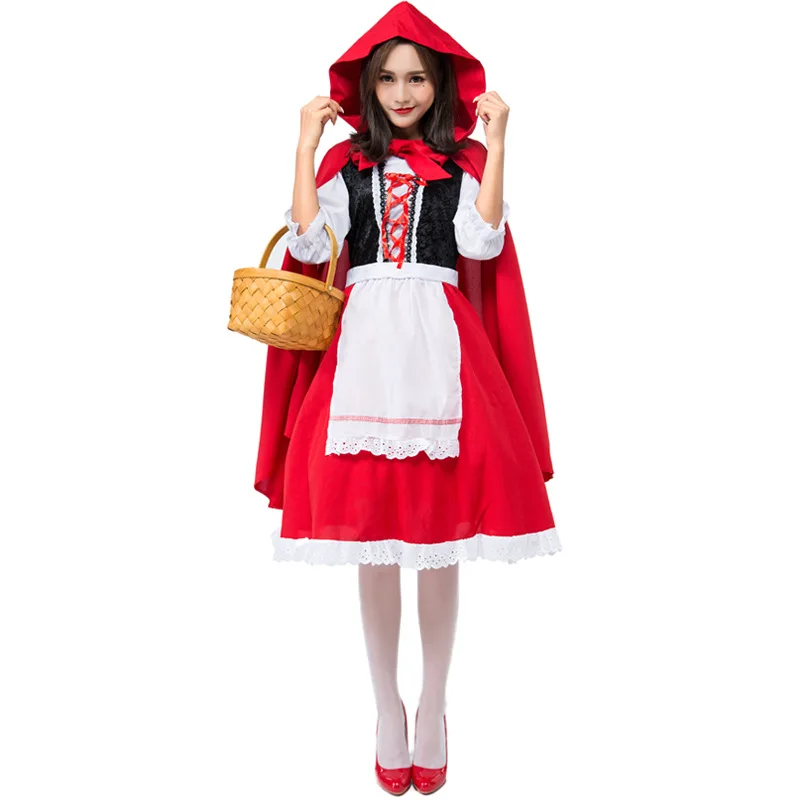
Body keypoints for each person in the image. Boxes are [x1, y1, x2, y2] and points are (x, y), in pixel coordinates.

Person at [253, 2, 562, 793]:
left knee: (437, 537)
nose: (400, 93)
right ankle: (386, 705)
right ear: (366, 86)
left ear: (440, 85)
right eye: (387, 79)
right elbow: (309, 244)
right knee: (374, 536)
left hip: (440, 350)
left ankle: (434, 705)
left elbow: (481, 242)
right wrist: (303, 147)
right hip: (363, 352)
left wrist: (499, 146)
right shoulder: (346, 166)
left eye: (416, 79)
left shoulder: (462, 165)